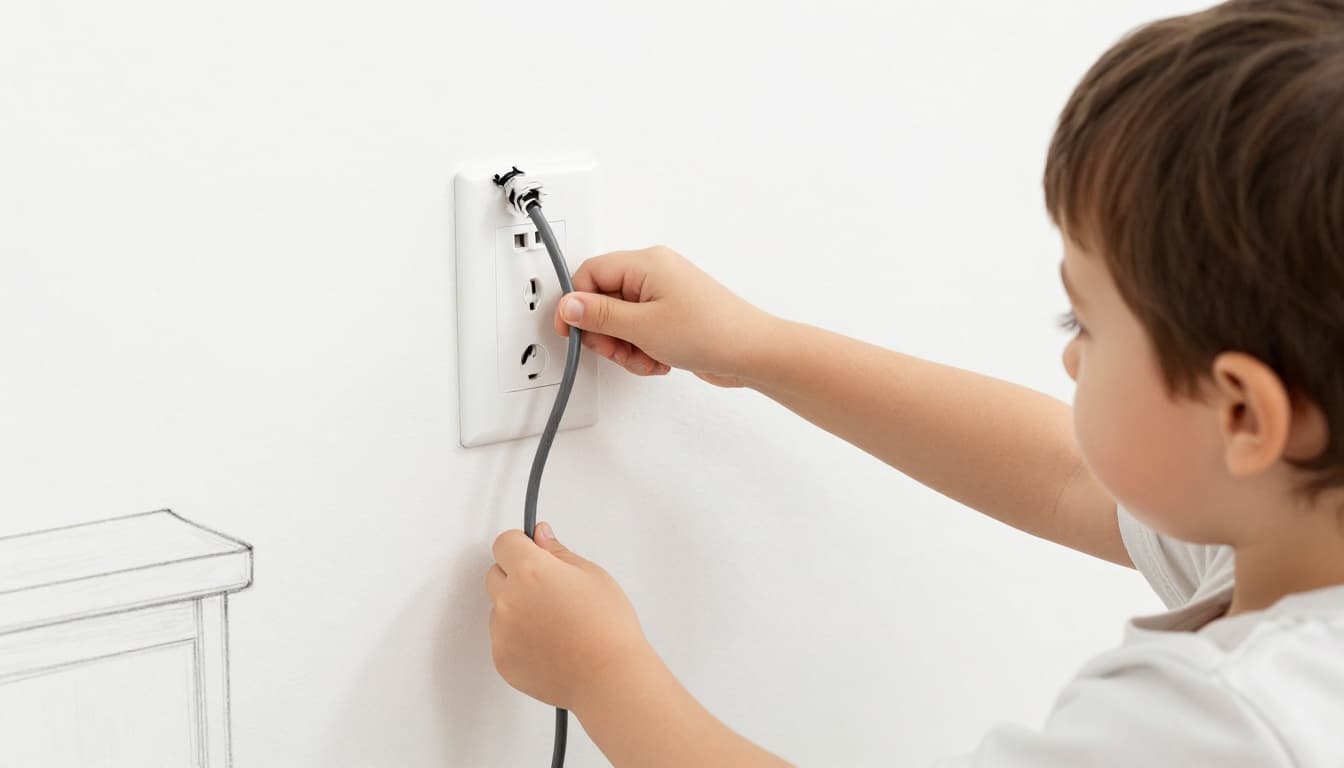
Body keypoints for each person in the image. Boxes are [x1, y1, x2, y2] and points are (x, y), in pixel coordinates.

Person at [484, 1, 1344, 764]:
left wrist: (604, 678)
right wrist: (758, 348)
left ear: (1243, 414)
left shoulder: (1221, 725)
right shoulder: (1292, 525)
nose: (1070, 360)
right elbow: (1062, 474)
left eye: (1082, 322)